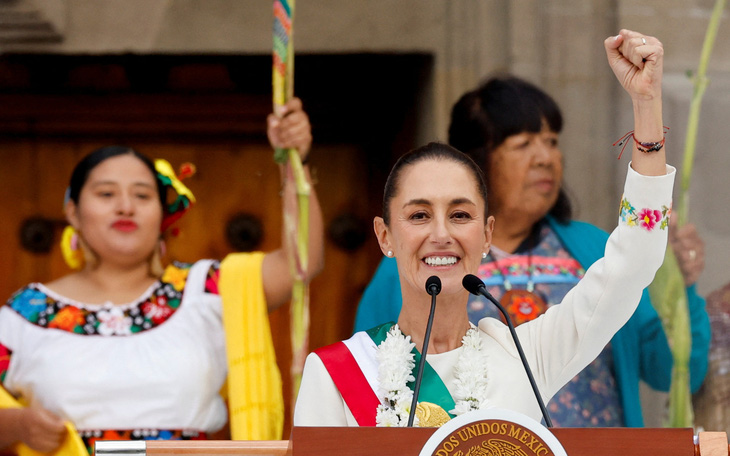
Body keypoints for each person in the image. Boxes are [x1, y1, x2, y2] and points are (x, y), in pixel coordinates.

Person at [294, 30, 689, 428]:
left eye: (461, 215)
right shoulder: (336, 375)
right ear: (384, 237)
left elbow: (634, 260)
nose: (441, 234)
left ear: (486, 234)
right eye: (418, 216)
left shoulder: (525, 356)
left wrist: (646, 104)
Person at [0, 98, 323, 453]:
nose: (125, 205)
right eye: (106, 193)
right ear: (73, 212)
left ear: (162, 215)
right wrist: (18, 424)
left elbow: (301, 261)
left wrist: (294, 162)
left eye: (142, 195)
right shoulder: (26, 313)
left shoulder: (208, 289)